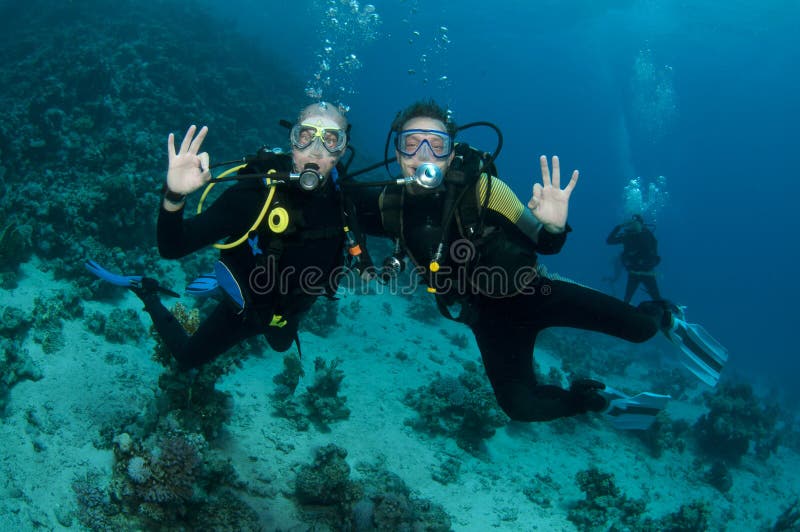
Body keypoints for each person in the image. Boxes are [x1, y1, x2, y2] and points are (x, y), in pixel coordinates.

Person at [347, 99, 719, 427]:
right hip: (485, 319)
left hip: (536, 292)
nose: (423, 155)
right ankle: (593, 398)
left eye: (437, 144)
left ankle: (665, 314)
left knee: (640, 329)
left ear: (450, 152)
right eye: (411, 144)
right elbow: (339, 209)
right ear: (397, 154)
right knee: (520, 407)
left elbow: (544, 243)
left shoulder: (484, 190)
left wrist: (554, 226)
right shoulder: (388, 206)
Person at [88, 102, 359, 369]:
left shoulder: (348, 200)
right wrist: (174, 195)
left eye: (331, 140)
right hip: (244, 307)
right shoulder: (252, 195)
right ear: (292, 142)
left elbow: (397, 214)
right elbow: (172, 247)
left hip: (291, 310)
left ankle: (230, 294)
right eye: (306, 136)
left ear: (342, 150)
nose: (315, 151)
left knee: (281, 345)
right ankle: (147, 291)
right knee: (187, 358)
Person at [606, 214, 661, 304]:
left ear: (640, 225)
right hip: (633, 272)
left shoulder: (646, 235)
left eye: (635, 224)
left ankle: (666, 311)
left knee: (656, 298)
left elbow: (650, 252)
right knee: (627, 298)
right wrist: (620, 226)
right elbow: (609, 241)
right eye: (630, 224)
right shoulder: (627, 236)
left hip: (646, 272)